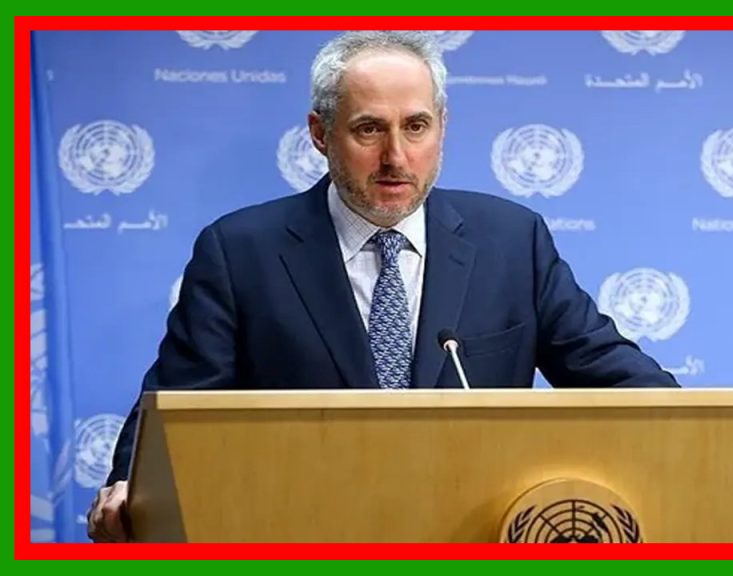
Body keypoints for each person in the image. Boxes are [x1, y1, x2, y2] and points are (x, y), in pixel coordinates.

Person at [87, 30, 678, 543]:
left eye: (416, 126)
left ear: (442, 127)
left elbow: (620, 380)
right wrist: (130, 485)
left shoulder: (512, 240)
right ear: (320, 133)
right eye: (369, 129)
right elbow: (176, 410)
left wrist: (698, 430)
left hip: (472, 540)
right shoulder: (240, 252)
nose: (396, 155)